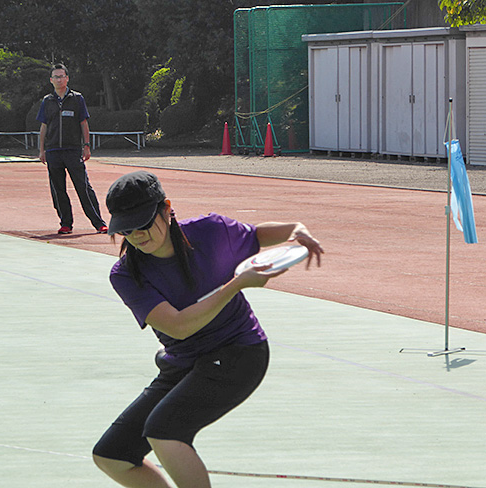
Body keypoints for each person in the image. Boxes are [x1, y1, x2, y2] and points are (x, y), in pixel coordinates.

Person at [92, 170, 324, 488]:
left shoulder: (210, 232)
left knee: (164, 431)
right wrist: (237, 284)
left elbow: (256, 236)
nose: (137, 236)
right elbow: (179, 326)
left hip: (239, 353)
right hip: (184, 362)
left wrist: (296, 229)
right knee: (112, 456)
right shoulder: (125, 275)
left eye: (143, 223)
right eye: (126, 230)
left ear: (166, 209)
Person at [37, 63, 108, 235]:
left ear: (67, 78)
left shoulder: (77, 99)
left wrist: (86, 146)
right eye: (56, 76)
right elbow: (43, 127)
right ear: (51, 80)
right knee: (58, 190)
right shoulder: (47, 101)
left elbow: (84, 123)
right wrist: (41, 150)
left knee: (83, 187)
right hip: (53, 151)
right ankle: (66, 223)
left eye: (62, 76)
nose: (59, 79)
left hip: (73, 150)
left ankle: (98, 223)